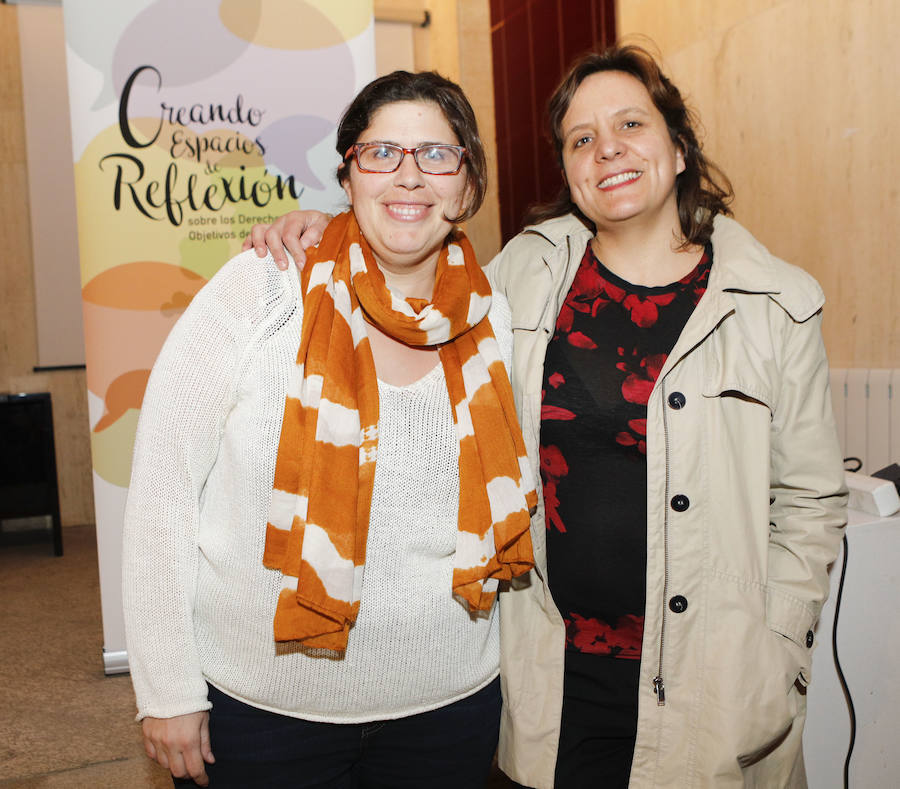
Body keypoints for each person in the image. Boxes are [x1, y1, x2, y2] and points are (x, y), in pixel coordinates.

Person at [247, 43, 848, 789]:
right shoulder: (521, 275)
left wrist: (780, 642)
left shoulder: (776, 304)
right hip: (554, 673)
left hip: (716, 674)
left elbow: (811, 500)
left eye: (631, 124)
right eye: (582, 139)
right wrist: (328, 229)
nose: (609, 150)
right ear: (567, 170)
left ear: (680, 147)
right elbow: (412, 263)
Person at [122, 69, 538, 789]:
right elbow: (163, 489)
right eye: (382, 153)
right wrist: (167, 689)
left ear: (468, 186)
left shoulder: (491, 314)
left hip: (450, 709)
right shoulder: (263, 289)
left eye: (437, 155)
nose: (409, 176)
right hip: (266, 717)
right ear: (349, 176)